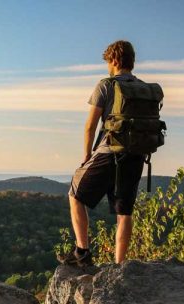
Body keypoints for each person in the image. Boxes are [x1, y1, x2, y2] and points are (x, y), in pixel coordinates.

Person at [58, 40, 146, 266]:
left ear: (115, 60)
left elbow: (90, 125)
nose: (107, 66)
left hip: (109, 153)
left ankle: (82, 252)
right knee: (124, 211)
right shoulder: (144, 89)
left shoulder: (106, 85)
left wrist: (87, 155)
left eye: (108, 61)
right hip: (136, 155)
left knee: (75, 194)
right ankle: (119, 265)